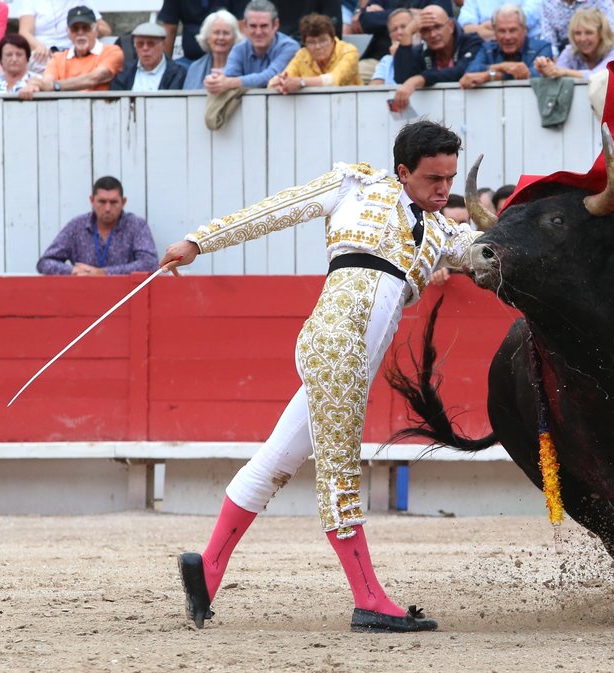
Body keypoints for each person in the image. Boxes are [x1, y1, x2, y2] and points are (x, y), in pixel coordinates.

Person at [161, 120, 479, 634]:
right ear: (402, 172)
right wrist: (199, 241)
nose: (444, 190)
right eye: (432, 179)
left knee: (276, 460)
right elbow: (275, 210)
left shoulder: (445, 233)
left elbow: (491, 257)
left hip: (357, 357)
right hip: (335, 342)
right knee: (339, 471)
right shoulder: (353, 186)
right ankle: (369, 599)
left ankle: (209, 568)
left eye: (450, 178)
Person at [37, 176, 159, 276]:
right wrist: (72, 271)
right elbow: (45, 262)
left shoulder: (137, 226)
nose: (107, 208)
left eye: (113, 202)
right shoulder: (77, 226)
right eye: (102, 201)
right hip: (82, 296)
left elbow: (150, 264)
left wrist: (104, 273)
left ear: (123, 202)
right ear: (92, 200)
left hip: (127, 298)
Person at [391, 5, 483, 111]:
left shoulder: (471, 42)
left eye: (438, 27)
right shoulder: (421, 51)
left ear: (450, 26)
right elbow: (402, 79)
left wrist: (420, 79)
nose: (433, 34)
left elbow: (462, 71)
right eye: (426, 30)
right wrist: (407, 33)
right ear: (420, 35)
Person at [20, 6, 125, 98]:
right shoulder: (58, 58)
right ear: (68, 32)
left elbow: (94, 78)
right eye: (75, 29)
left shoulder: (112, 51)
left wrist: (56, 86)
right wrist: (35, 85)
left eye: (86, 28)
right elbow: (47, 82)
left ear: (96, 30)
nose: (80, 33)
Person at [205, 0, 299, 95]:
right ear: (245, 25)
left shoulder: (289, 47)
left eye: (264, 26)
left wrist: (230, 83)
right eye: (253, 26)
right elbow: (228, 76)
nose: (258, 32)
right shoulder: (239, 49)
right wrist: (214, 81)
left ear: (276, 25)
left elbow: (270, 76)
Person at [460, 3, 553, 87]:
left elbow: (536, 74)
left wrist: (490, 76)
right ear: (494, 32)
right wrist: (502, 67)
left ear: (524, 30)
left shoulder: (541, 48)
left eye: (513, 30)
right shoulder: (487, 49)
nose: (507, 37)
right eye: (501, 31)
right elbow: (470, 74)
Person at [269, 12, 360, 92]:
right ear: (305, 43)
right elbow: (273, 83)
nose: (318, 47)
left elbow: (333, 80)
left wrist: (301, 82)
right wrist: (280, 83)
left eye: (323, 41)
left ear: (332, 39)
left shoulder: (349, 51)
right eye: (311, 42)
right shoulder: (302, 55)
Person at [535, 7, 614, 79]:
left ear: (601, 33)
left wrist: (564, 72)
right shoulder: (570, 51)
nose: (583, 39)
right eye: (577, 33)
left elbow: (599, 76)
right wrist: (545, 69)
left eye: (589, 33)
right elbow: (557, 72)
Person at [17, 0, 111, 69]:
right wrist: (39, 47)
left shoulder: (81, 1)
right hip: (43, 54)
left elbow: (105, 29)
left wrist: (85, 28)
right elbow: (24, 32)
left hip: (76, 53)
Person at [158, 0, 246, 65]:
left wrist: (240, 63)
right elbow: (169, 30)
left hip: (228, 61)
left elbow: (242, 29)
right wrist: (167, 67)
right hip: (189, 61)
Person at [111, 22, 188, 90]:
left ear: (163, 45)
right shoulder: (124, 73)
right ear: (135, 46)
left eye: (151, 44)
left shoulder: (177, 73)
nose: (145, 48)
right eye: (140, 44)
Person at [183, 9, 243, 90]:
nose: (221, 37)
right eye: (216, 32)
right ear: (207, 37)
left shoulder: (245, 66)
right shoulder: (195, 68)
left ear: (235, 38)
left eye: (226, 33)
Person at [538, 0, 614, 52]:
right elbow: (548, 41)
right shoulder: (547, 2)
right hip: (570, 53)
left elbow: (613, 33)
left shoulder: (600, 1)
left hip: (602, 51)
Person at [459, 0, 545, 41]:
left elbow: (523, 21)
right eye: (501, 31)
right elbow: (465, 29)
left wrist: (485, 29)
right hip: (486, 52)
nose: (506, 35)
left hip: (529, 51)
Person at [368, 7, 412, 84]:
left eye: (404, 26)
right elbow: (373, 90)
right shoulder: (387, 60)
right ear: (390, 36)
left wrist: (401, 59)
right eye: (394, 29)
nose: (399, 32)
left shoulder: (426, 53)